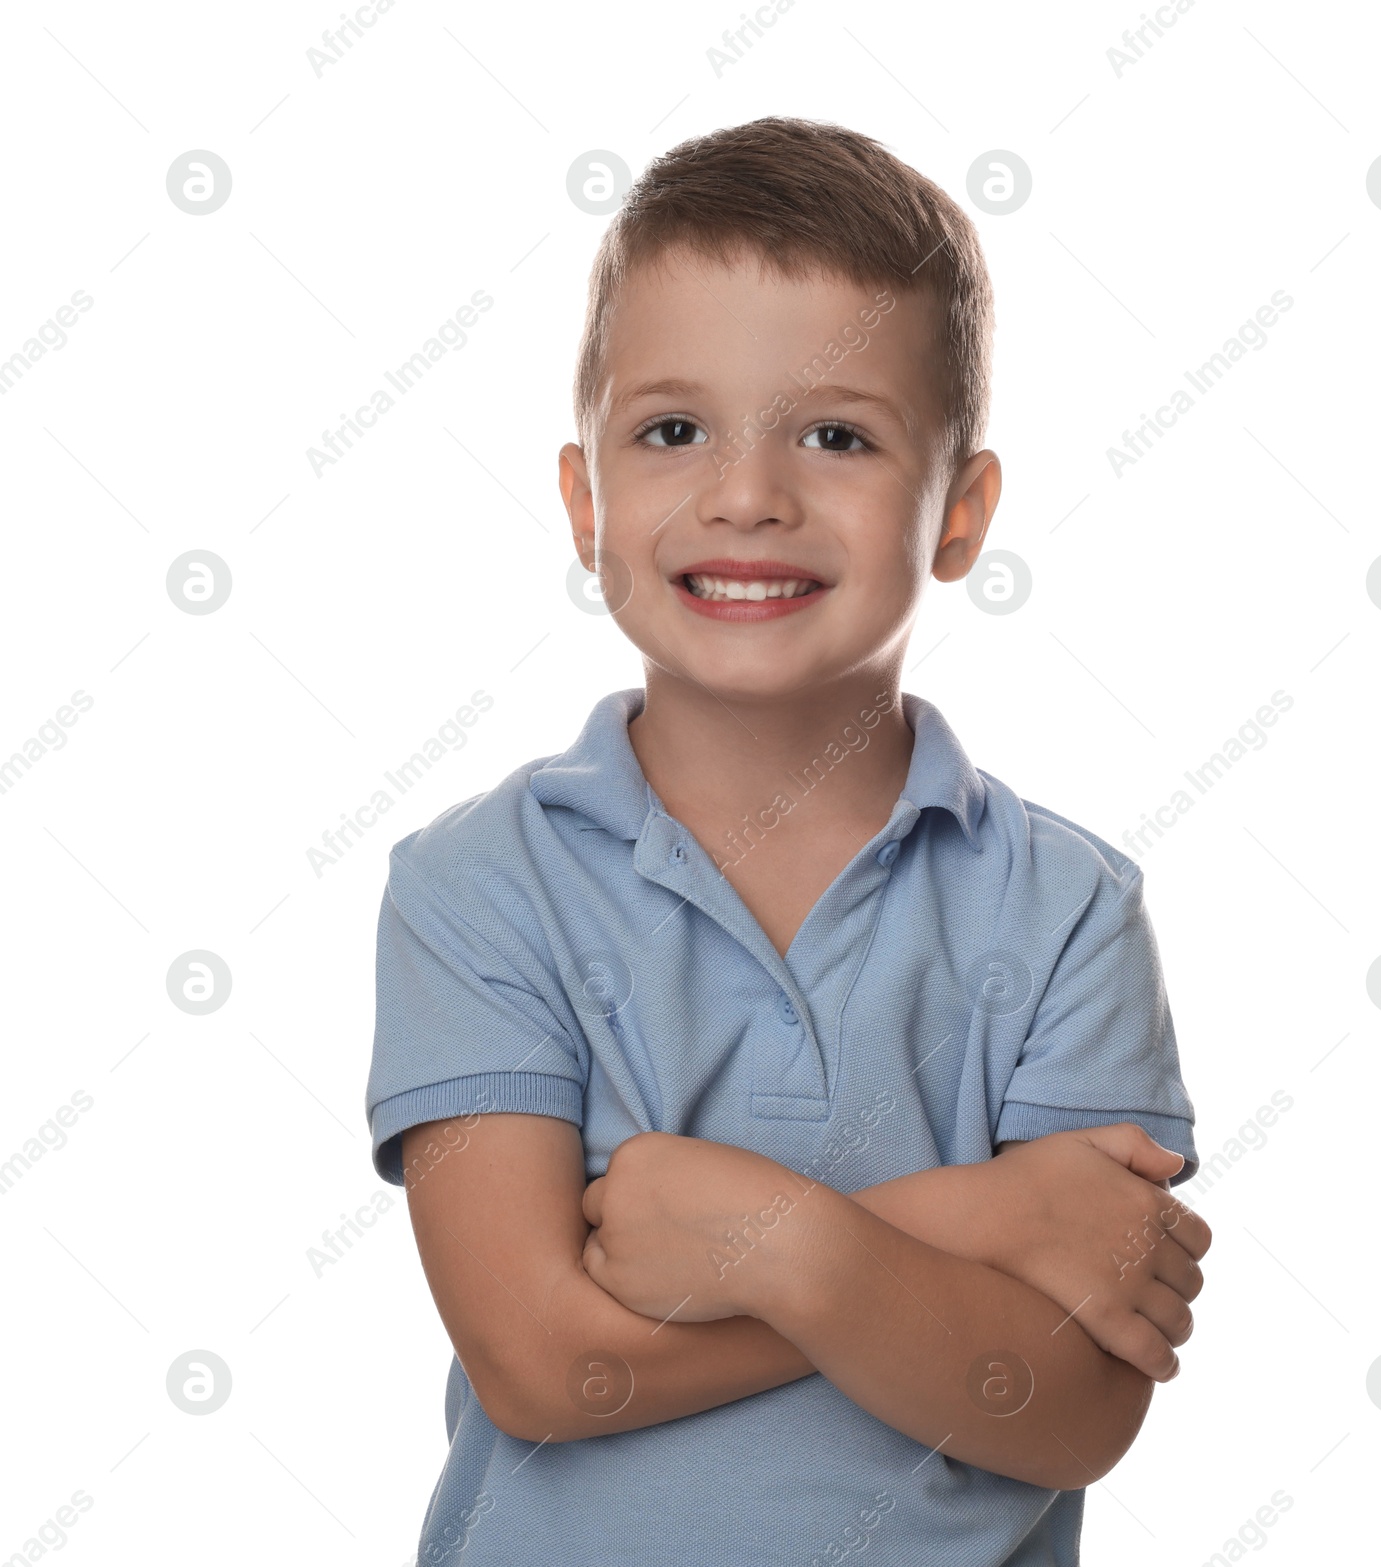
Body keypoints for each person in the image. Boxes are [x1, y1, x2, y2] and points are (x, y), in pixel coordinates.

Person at [365, 115, 1209, 1567]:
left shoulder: (1065, 907)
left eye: (836, 435)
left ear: (960, 513)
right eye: (672, 430)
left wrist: (781, 1243)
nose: (746, 494)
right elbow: (548, 1368)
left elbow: (1075, 1411)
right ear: (584, 501)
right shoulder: (477, 889)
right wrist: (974, 1221)